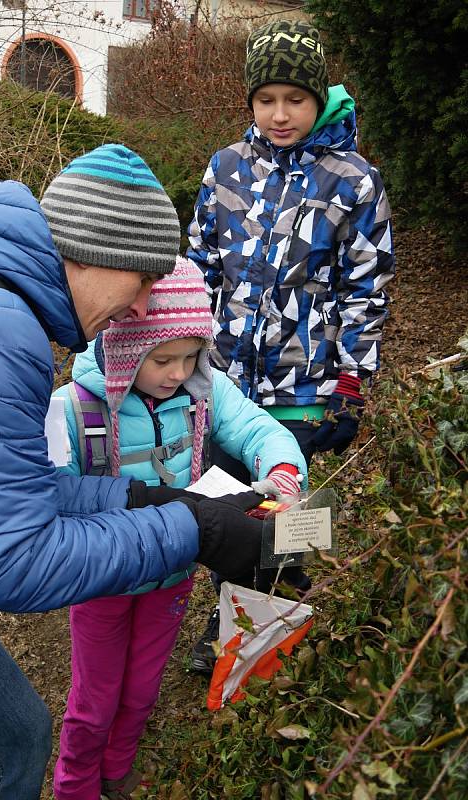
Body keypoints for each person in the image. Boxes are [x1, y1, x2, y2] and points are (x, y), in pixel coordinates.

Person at [0, 144, 274, 799]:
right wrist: (192, 527)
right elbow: (14, 561)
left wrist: (140, 496)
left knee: (16, 733)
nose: (143, 306)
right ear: (94, 253)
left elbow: (4, 484)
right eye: (141, 280)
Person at [49, 257, 307, 800]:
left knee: (142, 688)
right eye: (163, 358)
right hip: (102, 582)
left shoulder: (202, 394)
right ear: (122, 352)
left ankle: (118, 772)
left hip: (172, 575)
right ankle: (75, 785)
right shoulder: (74, 411)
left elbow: (257, 428)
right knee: (94, 699)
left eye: (192, 356)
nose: (177, 372)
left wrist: (282, 474)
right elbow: (49, 494)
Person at [187, 19, 396, 671]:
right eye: (266, 99)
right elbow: (196, 269)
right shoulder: (224, 170)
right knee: (224, 509)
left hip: (307, 390)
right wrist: (178, 354)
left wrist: (354, 384)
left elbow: (369, 287)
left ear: (316, 98)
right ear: (250, 100)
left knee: (280, 516)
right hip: (226, 383)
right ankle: (237, 617)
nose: (281, 114)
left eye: (295, 99)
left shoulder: (354, 181)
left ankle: (271, 620)